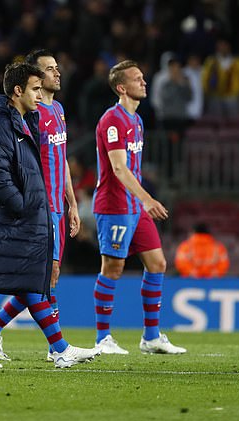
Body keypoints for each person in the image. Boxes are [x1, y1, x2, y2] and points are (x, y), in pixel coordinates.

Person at [0, 62, 100, 368]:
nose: (39, 93)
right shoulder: (0, 124)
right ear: (17, 91)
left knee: (21, 280)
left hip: (15, 215)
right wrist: (21, 205)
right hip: (0, 217)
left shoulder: (25, 120)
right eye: (35, 88)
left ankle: (48, 347)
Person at [0, 49, 81, 362]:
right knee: (44, 277)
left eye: (57, 67)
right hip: (37, 205)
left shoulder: (59, 110)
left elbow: (61, 160)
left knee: (50, 276)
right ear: (35, 77)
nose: (57, 73)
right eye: (50, 69)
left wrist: (72, 202)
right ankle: (57, 348)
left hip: (57, 207)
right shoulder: (31, 116)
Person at [92, 60, 186, 355]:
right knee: (113, 267)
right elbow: (119, 169)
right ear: (122, 87)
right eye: (137, 79)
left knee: (157, 264)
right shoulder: (112, 120)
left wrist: (141, 201)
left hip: (135, 206)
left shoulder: (138, 121)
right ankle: (103, 338)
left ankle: (151, 337)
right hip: (115, 205)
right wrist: (148, 198)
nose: (144, 82)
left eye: (143, 77)